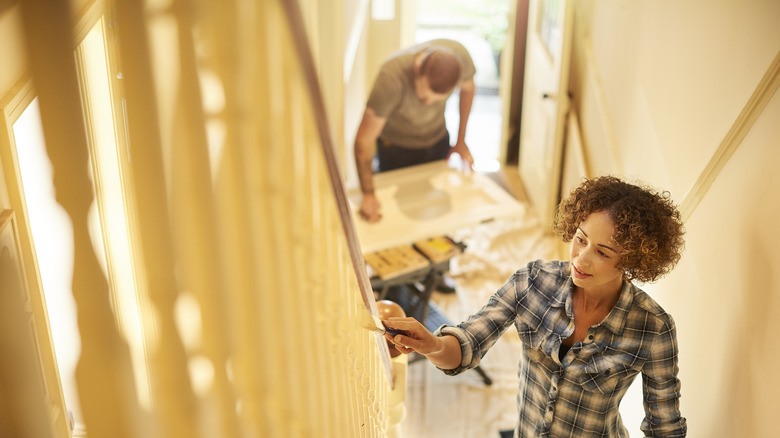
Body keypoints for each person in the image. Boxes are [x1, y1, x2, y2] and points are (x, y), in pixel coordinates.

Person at [383, 176, 688, 437]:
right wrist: (432, 344)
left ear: (633, 261)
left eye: (603, 253)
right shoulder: (533, 281)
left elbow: (665, 427)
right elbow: (468, 343)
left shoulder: (654, 328)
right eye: (580, 240)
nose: (581, 259)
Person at [354, 39, 477, 223]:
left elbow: (469, 89)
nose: (427, 104)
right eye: (424, 96)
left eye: (437, 100)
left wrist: (461, 141)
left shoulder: (460, 59)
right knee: (399, 220)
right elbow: (363, 142)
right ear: (418, 68)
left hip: (438, 140)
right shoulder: (391, 78)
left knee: (432, 213)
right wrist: (369, 194)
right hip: (397, 150)